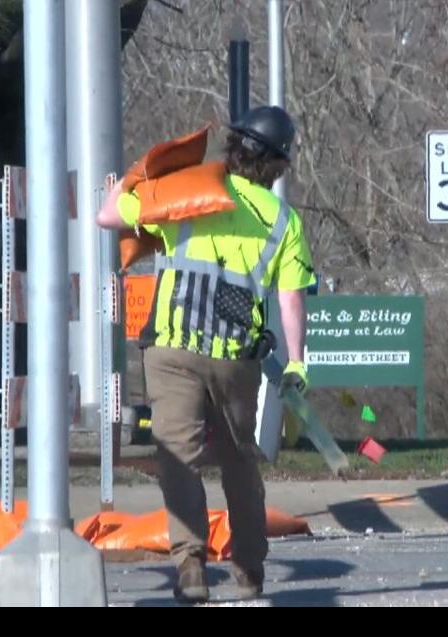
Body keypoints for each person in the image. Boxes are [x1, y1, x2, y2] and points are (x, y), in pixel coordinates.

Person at [97, 106, 314, 602]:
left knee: (178, 457)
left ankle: (190, 565)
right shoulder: (283, 221)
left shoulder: (184, 193)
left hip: (172, 351)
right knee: (240, 461)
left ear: (233, 148)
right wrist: (296, 362)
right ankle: (249, 569)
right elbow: (291, 300)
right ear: (277, 166)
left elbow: (107, 215)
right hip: (235, 360)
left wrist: (137, 174)